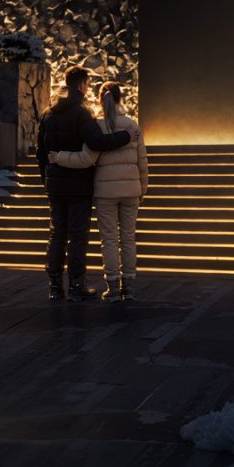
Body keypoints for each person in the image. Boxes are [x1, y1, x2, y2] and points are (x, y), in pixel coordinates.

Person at [35, 66, 133, 303]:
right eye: (87, 84)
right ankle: (77, 285)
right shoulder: (81, 113)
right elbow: (97, 141)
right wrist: (126, 136)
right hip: (79, 185)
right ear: (81, 85)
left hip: (55, 184)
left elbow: (41, 152)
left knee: (57, 233)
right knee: (78, 234)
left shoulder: (48, 114)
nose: (88, 88)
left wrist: (46, 179)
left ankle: (55, 285)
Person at [92, 81, 146, 303]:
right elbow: (143, 162)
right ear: (121, 98)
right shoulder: (132, 125)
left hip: (105, 191)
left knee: (109, 239)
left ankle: (112, 287)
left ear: (100, 99)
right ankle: (129, 287)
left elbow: (89, 158)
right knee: (128, 238)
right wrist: (142, 188)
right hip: (131, 190)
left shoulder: (97, 126)